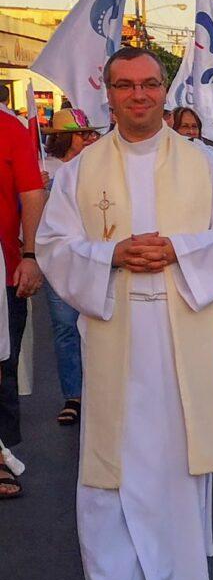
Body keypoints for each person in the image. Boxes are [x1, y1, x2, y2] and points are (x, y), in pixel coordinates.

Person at [36, 46, 213, 580]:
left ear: (166, 90)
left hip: (183, 325)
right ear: (107, 93)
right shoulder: (82, 172)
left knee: (178, 453)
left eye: (150, 84)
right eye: (126, 85)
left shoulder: (202, 165)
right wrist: (112, 254)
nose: (139, 95)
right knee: (110, 459)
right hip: (114, 329)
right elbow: (55, 247)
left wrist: (179, 250)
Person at [0, 78, 47, 493]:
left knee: (1, 364)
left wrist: (30, 256)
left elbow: (32, 194)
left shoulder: (10, 129)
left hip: (4, 268)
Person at [40, 109, 100, 427]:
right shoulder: (42, 168)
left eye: (90, 133)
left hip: (93, 256)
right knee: (66, 328)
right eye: (83, 133)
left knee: (97, 324)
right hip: (59, 260)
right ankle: (73, 395)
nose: (89, 138)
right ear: (65, 137)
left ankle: (101, 390)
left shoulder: (95, 167)